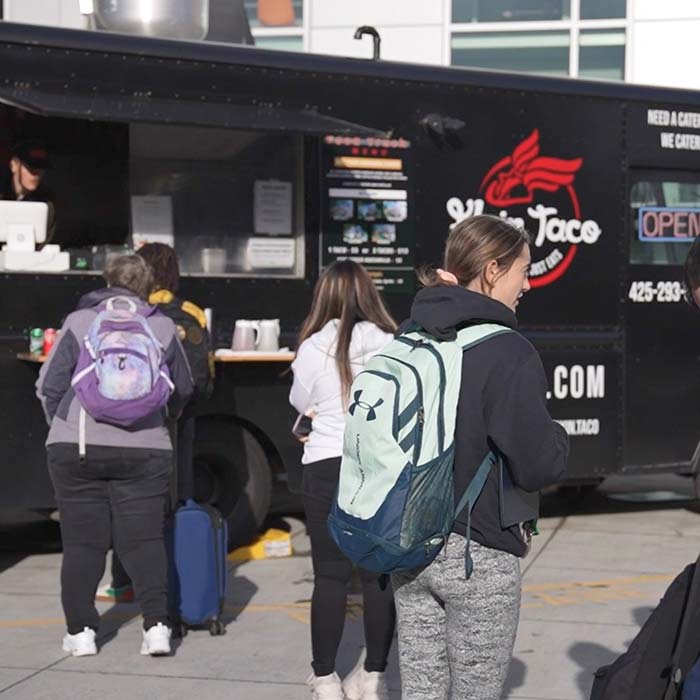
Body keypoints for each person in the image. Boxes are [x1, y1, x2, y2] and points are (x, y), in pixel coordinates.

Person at [391, 214, 569, 700]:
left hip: (408, 543)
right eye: (523, 271)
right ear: (493, 270)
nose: (527, 284)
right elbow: (539, 465)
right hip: (479, 552)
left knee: (422, 692)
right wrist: (557, 435)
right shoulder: (507, 350)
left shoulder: (411, 335)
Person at [36, 254, 193, 657]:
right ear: (146, 287)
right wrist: (161, 419)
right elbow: (184, 388)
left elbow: (48, 385)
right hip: (146, 451)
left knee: (83, 544)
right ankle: (157, 627)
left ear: (106, 282)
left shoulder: (79, 321)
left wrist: (64, 424)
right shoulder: (160, 326)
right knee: (143, 541)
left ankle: (82, 633)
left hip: (78, 446)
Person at [290, 260, 398, 700]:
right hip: (377, 466)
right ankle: (373, 676)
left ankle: (325, 679)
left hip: (325, 464)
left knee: (330, 577)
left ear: (324, 297)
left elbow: (301, 401)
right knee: (377, 576)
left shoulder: (313, 346)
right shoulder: (392, 344)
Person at [98, 242, 213, 603]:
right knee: (178, 498)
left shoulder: (127, 313)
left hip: (134, 425)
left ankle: (122, 580)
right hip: (181, 421)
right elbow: (204, 378)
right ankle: (176, 581)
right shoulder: (192, 313)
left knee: (130, 503)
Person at [0, 139, 56, 241]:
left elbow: (46, 240)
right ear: (14, 165)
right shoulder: (2, 194)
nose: (36, 174)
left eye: (41, 168)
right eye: (31, 168)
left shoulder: (47, 202)